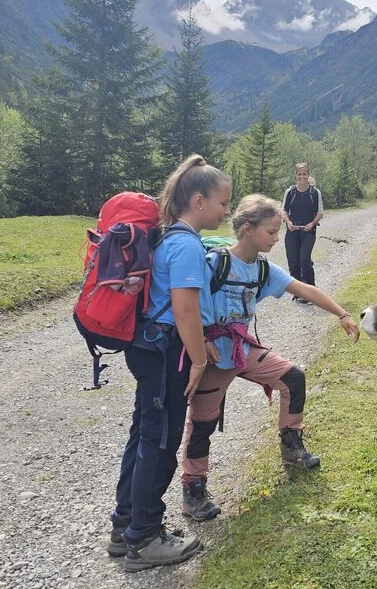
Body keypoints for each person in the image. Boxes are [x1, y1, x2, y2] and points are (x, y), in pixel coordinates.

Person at [178, 194, 361, 521]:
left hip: (242, 349)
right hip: (211, 355)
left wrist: (342, 314)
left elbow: (305, 290)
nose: (278, 239)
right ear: (247, 229)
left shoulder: (263, 269)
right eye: (272, 232)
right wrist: (202, 340)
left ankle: (292, 449)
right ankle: (193, 488)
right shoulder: (214, 263)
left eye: (279, 232)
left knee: (293, 377)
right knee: (202, 422)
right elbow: (190, 303)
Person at [108, 155, 231, 572]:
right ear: (198, 201)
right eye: (222, 202)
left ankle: (124, 525)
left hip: (146, 348)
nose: (226, 211)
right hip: (166, 353)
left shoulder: (167, 237)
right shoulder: (186, 245)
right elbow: (186, 311)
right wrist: (198, 360)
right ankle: (143, 541)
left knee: (144, 434)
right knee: (160, 443)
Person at [282, 163, 323, 304]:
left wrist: (312, 223)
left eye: (304, 174)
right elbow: (284, 211)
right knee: (293, 261)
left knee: (304, 260)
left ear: (308, 175)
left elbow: (320, 212)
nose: (302, 177)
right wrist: (288, 222)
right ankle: (298, 291)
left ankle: (311, 291)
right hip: (292, 230)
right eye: (299, 174)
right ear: (296, 176)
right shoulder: (290, 192)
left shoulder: (314, 193)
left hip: (308, 231)